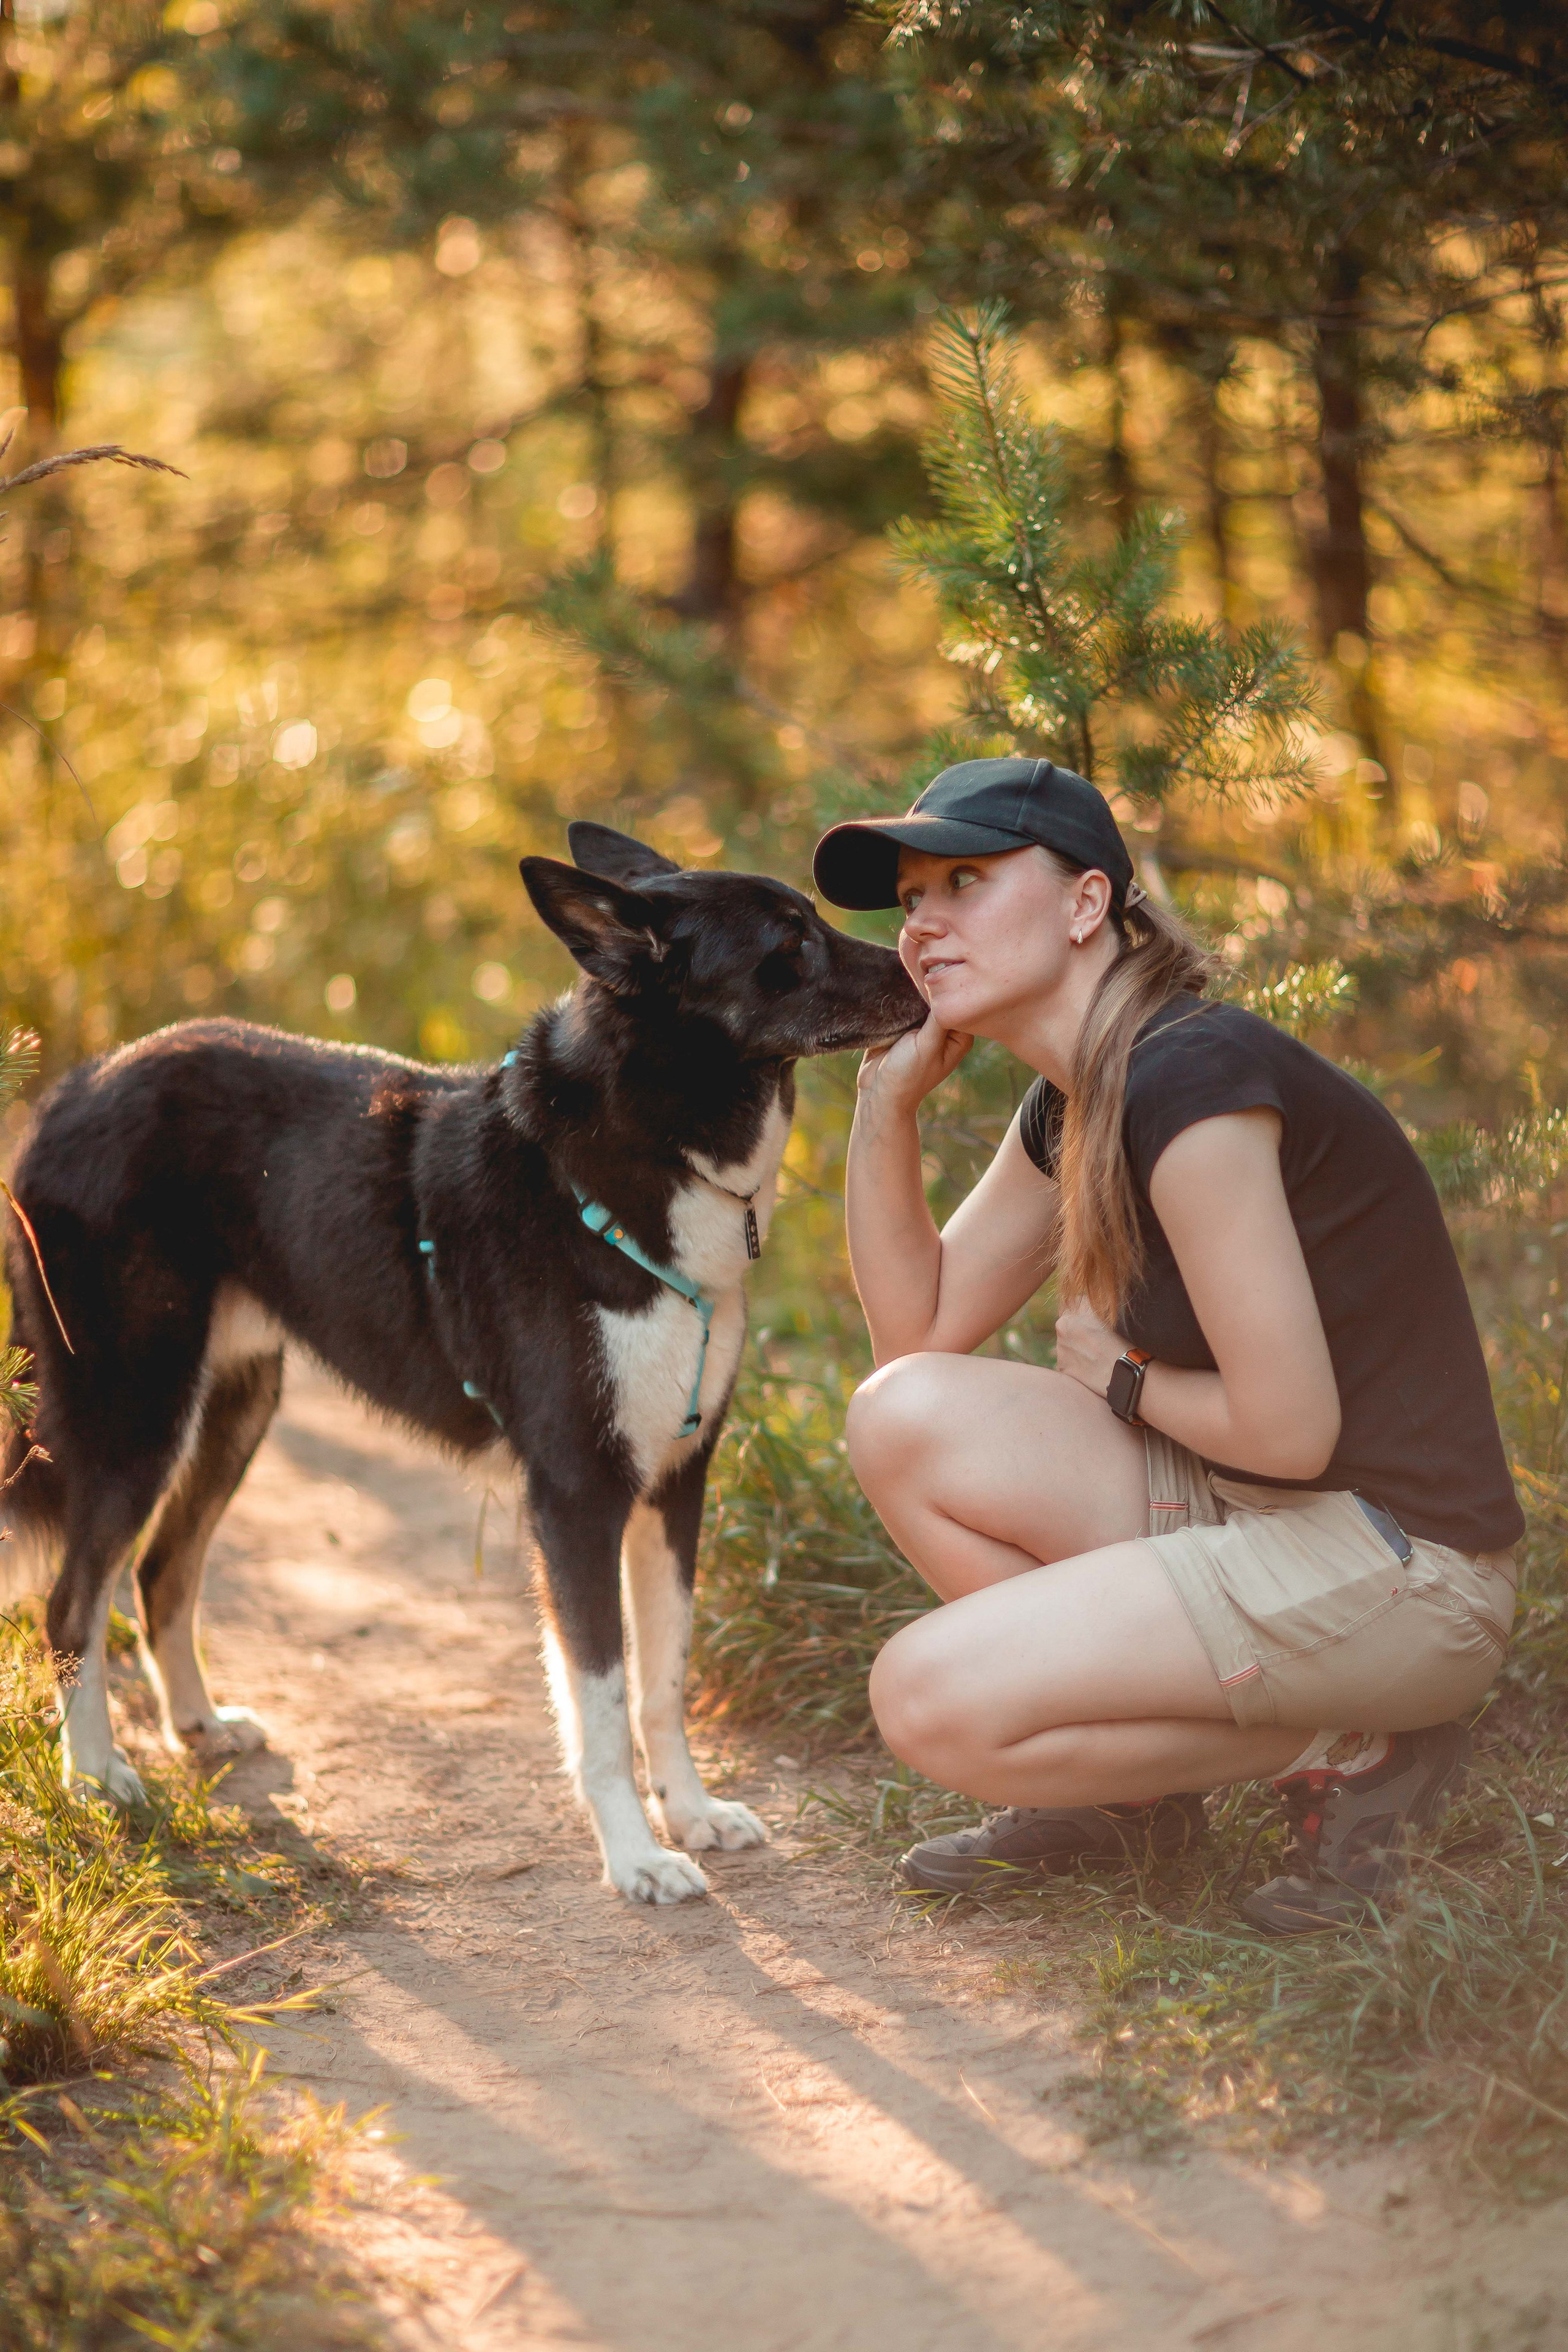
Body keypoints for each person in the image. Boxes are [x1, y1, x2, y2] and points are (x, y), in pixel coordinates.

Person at [811, 757, 1525, 1932]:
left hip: (1406, 1571)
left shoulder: (1190, 1083)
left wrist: (1124, 1381)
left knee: (929, 1701)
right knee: (902, 1413)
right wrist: (887, 1104)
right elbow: (917, 1337)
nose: (923, 924)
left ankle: (1364, 1743)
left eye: (966, 880)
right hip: (1262, 1515)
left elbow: (1294, 1431)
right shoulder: (1083, 1094)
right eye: (912, 896)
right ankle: (1129, 1798)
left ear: (1088, 904)